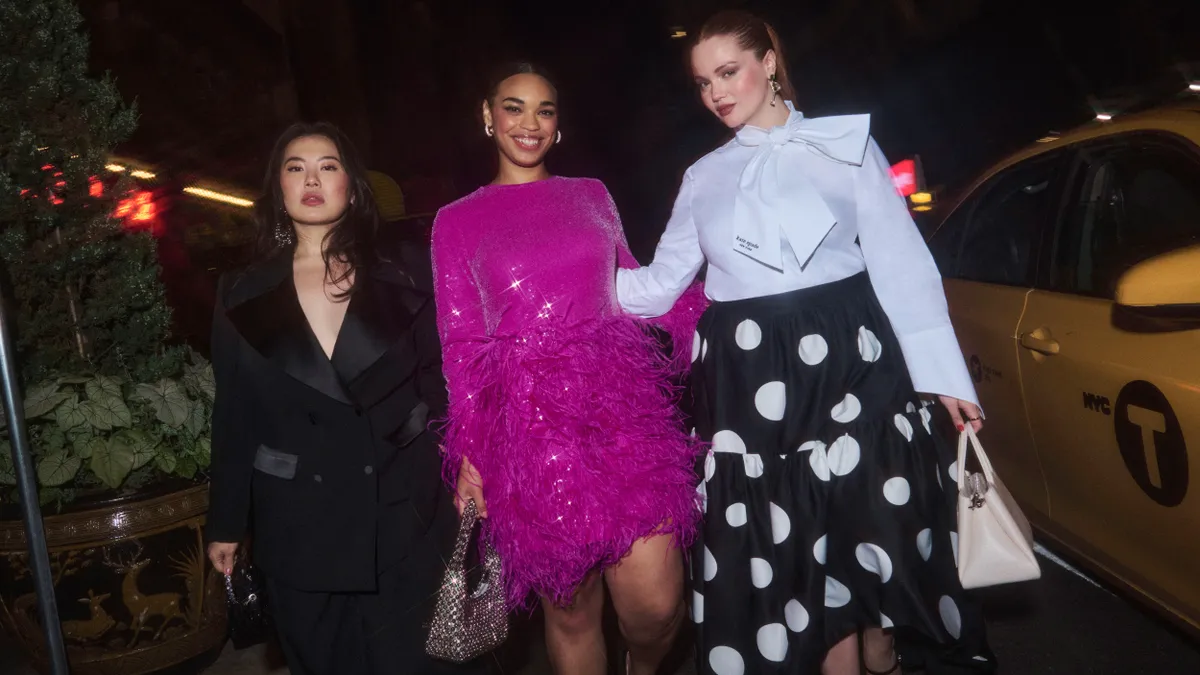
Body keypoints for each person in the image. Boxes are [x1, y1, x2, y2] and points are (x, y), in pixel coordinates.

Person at [616, 10, 992, 675]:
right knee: (797, 561)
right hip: (755, 391)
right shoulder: (703, 177)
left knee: (870, 528)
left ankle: (884, 639)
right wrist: (572, 279)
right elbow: (657, 286)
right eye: (704, 82)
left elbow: (901, 262)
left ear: (768, 61)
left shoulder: (843, 144)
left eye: (729, 72)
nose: (717, 94)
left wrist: (947, 377)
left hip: (854, 366)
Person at [431, 62, 707, 675]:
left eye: (545, 110)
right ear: (487, 116)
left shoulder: (590, 194)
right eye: (514, 107)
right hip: (532, 431)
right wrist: (472, 450)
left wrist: (713, 320)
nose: (529, 123)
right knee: (573, 613)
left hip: (623, 411)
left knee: (658, 606)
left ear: (558, 126)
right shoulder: (456, 220)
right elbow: (460, 342)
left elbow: (635, 281)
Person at [204, 122, 482, 675]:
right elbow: (234, 413)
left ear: (352, 188)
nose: (311, 178)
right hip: (299, 525)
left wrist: (466, 463)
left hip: (404, 510)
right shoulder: (241, 293)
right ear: (277, 190)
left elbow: (440, 382)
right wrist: (227, 523)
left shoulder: (404, 273)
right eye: (295, 167)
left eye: (328, 166)